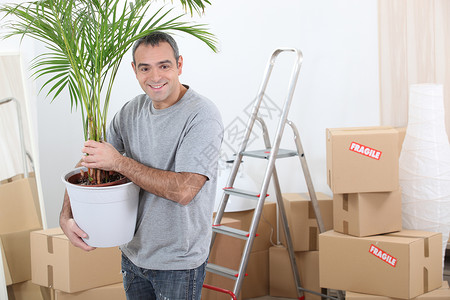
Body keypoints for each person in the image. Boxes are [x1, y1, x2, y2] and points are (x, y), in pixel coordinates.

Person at [59, 32, 224, 300]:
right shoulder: (131, 111)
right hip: (133, 256)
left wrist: (119, 162)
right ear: (134, 70)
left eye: (164, 65)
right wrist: (65, 216)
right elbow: (90, 162)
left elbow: (184, 191)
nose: (155, 77)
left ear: (179, 65)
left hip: (177, 263)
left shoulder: (202, 115)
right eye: (145, 68)